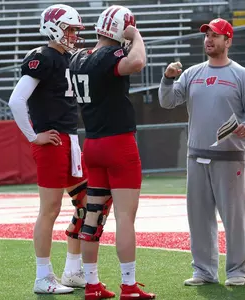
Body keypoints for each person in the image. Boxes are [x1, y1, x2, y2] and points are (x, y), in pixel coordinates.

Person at [158, 18, 245, 287]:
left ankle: (237, 270)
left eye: (216, 36)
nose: (209, 40)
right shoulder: (192, 73)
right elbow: (168, 101)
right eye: (207, 35)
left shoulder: (241, 75)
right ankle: (204, 271)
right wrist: (168, 79)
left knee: (234, 218)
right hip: (196, 157)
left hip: (230, 158)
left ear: (228, 41)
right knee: (199, 217)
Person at [69, 5, 155, 300]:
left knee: (93, 214)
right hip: (117, 143)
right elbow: (137, 61)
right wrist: (136, 35)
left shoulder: (79, 57)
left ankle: (92, 284)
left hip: (91, 142)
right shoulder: (110, 55)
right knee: (125, 217)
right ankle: (128, 285)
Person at [8, 4, 88, 294]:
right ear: (54, 27)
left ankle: (73, 269)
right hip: (53, 142)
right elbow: (16, 101)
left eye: (75, 30)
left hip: (70, 140)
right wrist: (34, 136)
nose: (74, 35)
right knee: (50, 209)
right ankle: (43, 277)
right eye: (69, 29)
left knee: (88, 203)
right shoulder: (43, 57)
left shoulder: (67, 58)